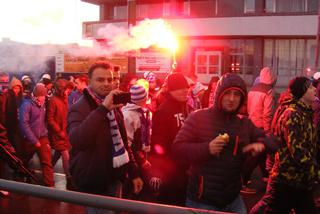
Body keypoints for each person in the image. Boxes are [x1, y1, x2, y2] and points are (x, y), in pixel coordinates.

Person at [172, 73, 279, 214]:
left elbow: (274, 140)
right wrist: (207, 148)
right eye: (227, 93)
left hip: (233, 199)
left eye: (237, 94)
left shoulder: (244, 123)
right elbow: (177, 149)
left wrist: (262, 144)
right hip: (202, 201)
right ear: (219, 95)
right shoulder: (198, 117)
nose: (231, 99)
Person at [67, 61, 143, 214]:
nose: (107, 84)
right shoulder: (79, 107)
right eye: (100, 80)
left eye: (110, 79)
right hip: (95, 182)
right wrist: (102, 110)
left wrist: (134, 173)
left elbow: (123, 142)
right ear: (90, 82)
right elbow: (78, 140)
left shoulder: (114, 105)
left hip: (115, 179)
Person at [250, 76, 319, 214]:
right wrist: (317, 173)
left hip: (299, 181)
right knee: (269, 208)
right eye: (311, 87)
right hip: (286, 181)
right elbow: (299, 153)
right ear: (303, 91)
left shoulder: (305, 112)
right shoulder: (293, 115)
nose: (315, 89)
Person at [149, 72, 192, 206]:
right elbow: (158, 143)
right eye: (180, 87)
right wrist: (160, 171)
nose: (185, 90)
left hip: (186, 169)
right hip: (172, 171)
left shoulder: (185, 106)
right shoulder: (163, 111)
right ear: (171, 90)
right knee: (170, 204)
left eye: (186, 87)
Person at [242, 67, 277, 193]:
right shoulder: (269, 91)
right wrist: (268, 130)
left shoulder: (252, 89)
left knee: (260, 153)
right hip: (261, 126)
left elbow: (248, 108)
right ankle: (243, 182)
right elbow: (268, 113)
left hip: (251, 124)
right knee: (255, 156)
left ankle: (266, 176)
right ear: (273, 78)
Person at [19, 83, 54, 187]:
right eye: (41, 96)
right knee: (24, 160)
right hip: (29, 139)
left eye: (44, 96)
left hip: (43, 137)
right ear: (35, 95)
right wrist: (34, 140)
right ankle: (21, 177)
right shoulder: (26, 105)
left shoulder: (43, 104)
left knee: (47, 161)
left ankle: (50, 185)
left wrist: (45, 134)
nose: (43, 99)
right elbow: (24, 124)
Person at [47, 78, 72, 189]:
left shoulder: (65, 98)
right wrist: (59, 131)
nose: (67, 91)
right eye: (65, 89)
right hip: (58, 133)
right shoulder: (53, 100)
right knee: (65, 155)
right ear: (60, 89)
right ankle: (69, 178)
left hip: (65, 132)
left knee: (57, 154)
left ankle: (47, 168)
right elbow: (50, 118)